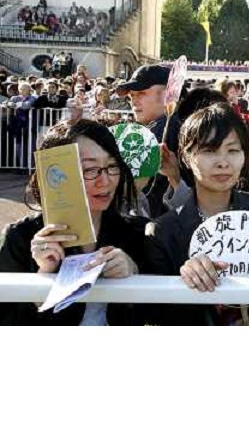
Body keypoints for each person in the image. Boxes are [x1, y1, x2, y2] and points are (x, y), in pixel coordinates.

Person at [144, 103, 249, 325]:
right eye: (209, 151)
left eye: (233, 150)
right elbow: (162, 317)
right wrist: (184, 282)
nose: (223, 162)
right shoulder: (162, 232)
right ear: (186, 157)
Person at [0, 120, 148, 325]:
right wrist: (42, 276)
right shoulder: (20, 237)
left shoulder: (139, 232)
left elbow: (163, 314)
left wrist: (134, 274)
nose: (104, 181)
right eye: (89, 169)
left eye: (112, 166)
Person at [117, 64, 180, 217]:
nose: (134, 101)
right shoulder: (161, 126)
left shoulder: (167, 127)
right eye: (132, 96)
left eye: (141, 93)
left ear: (167, 95)